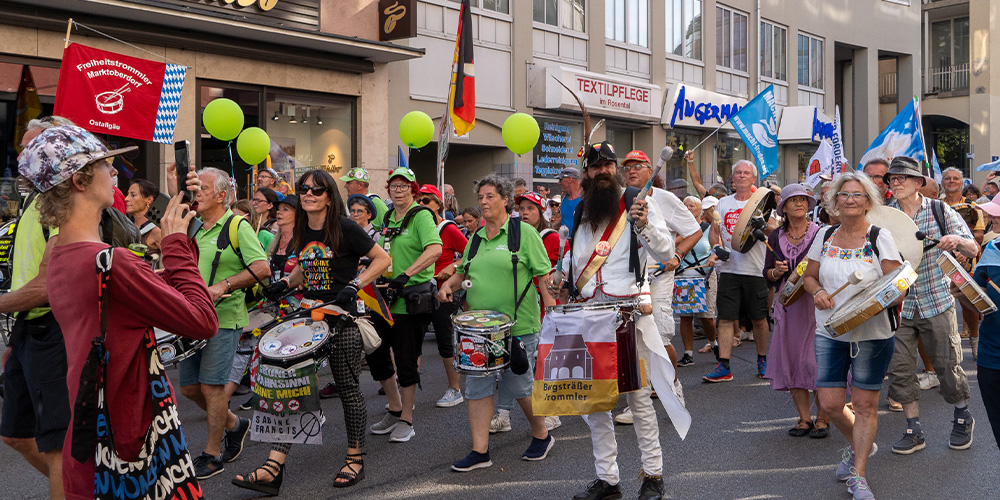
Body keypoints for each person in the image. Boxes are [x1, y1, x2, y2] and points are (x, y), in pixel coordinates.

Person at [18, 125, 218, 500]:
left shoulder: (60, 254)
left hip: (91, 433)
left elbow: (137, 291)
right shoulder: (110, 263)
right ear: (79, 179)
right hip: (132, 436)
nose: (115, 173)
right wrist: (175, 241)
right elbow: (202, 321)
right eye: (106, 166)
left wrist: (176, 228)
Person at [235, 170, 391, 493]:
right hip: (308, 316)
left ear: (329, 196)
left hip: (341, 316)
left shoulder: (346, 228)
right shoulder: (303, 230)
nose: (307, 194)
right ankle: (274, 466)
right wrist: (283, 284)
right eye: (303, 189)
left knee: (347, 388)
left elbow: (383, 259)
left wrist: (355, 284)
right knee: (293, 387)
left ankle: (355, 458)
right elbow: (307, 269)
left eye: (316, 190)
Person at [555, 141, 683, 500]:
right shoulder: (581, 210)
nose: (602, 172)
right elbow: (578, 259)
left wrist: (643, 225)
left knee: (638, 401)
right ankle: (607, 479)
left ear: (615, 169)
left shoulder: (636, 204)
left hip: (625, 317)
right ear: (586, 174)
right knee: (594, 403)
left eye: (608, 166)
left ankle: (653, 476)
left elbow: (666, 252)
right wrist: (561, 274)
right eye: (595, 168)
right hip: (588, 317)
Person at [437, 175, 556, 472]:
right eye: (481, 197)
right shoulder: (475, 237)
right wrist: (449, 285)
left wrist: (553, 311)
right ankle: (480, 452)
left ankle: (542, 434)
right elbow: (464, 270)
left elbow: (544, 276)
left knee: (519, 385)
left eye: (490, 196)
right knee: (477, 387)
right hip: (478, 329)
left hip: (518, 325)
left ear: (506, 200)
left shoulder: (523, 233)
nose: (484, 202)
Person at [801, 172, 903, 500]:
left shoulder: (879, 236)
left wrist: (873, 303)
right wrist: (816, 292)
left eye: (858, 195)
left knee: (864, 404)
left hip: (872, 333)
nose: (850, 200)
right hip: (830, 330)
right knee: (830, 403)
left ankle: (858, 473)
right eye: (844, 195)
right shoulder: (825, 236)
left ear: (869, 202)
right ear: (834, 203)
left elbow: (898, 285)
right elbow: (810, 276)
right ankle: (862, 443)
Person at [0, 115, 76, 500]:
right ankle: (78, 489)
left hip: (55, 333)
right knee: (14, 434)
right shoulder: (32, 198)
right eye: (21, 147)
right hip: (28, 330)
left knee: (55, 442)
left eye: (32, 148)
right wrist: (17, 338)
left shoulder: (62, 205)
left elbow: (50, 285)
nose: (21, 157)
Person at [179, 167, 271, 479]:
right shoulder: (195, 227)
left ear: (221, 196)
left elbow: (262, 267)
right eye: (195, 188)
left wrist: (223, 286)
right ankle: (235, 423)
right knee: (191, 389)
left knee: (212, 387)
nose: (197, 193)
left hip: (224, 319)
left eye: (203, 188)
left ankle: (212, 454)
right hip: (192, 317)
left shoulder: (236, 225)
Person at [884, 157, 979, 455]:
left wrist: (955, 239)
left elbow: (972, 246)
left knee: (947, 366)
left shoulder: (940, 209)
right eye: (892, 179)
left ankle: (962, 416)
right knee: (899, 370)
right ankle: (914, 430)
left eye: (902, 178)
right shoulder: (885, 218)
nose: (895, 183)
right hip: (898, 304)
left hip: (935, 298)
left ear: (918, 183)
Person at [615, 150, 701, 424]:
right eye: (627, 167)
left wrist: (676, 256)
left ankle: (674, 387)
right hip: (629, 277)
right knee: (632, 341)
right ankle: (637, 400)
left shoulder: (665, 199)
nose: (632, 171)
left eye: (638, 166)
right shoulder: (620, 200)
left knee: (660, 339)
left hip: (659, 276)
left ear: (651, 169)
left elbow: (695, 230)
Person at [368, 167, 442, 443]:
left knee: (406, 360)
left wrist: (406, 274)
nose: (398, 190)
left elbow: (435, 249)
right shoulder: (387, 216)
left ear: (413, 189)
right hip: (384, 298)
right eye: (394, 186)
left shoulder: (421, 215)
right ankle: (394, 407)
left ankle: (407, 419)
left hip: (410, 299)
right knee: (376, 353)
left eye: (404, 186)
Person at [762, 183, 829, 438]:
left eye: (804, 199)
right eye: (793, 200)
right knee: (792, 360)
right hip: (787, 304)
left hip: (814, 303)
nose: (799, 203)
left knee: (814, 360)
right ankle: (804, 419)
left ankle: (823, 417)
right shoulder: (773, 237)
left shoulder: (821, 233)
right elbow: (767, 275)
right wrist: (776, 272)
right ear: (784, 207)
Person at [704, 160, 771, 382]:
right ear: (733, 179)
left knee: (759, 319)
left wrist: (765, 225)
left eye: (746, 173)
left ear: (753, 179)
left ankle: (762, 360)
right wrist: (716, 248)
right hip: (730, 269)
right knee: (725, 318)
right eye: (738, 173)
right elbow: (714, 232)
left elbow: (777, 230)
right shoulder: (723, 204)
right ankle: (724, 366)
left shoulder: (762, 203)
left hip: (755, 269)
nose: (741, 176)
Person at [417, 184, 467, 408]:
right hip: (417, 289)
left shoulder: (447, 229)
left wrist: (454, 267)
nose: (421, 204)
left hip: (441, 290)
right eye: (419, 200)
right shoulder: (415, 225)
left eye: (426, 200)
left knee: (445, 341)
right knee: (413, 340)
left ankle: (454, 389)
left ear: (438, 204)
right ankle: (408, 387)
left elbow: (470, 253)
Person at [941, 167, 985, 360]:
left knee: (967, 300)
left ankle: (974, 339)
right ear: (943, 182)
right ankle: (945, 349)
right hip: (939, 259)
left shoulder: (973, 206)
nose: (951, 181)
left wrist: (963, 253)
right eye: (947, 178)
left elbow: (978, 235)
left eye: (955, 178)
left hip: (966, 260)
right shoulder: (935, 205)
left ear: (961, 183)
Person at [970, 196, 1000, 451]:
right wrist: (963, 292)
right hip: (991, 357)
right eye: (993, 213)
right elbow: (977, 302)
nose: (994, 218)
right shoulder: (992, 249)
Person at [676, 196, 719, 365]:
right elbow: (670, 246)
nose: (687, 208)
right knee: (685, 317)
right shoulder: (677, 229)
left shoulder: (708, 228)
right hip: (683, 276)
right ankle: (688, 354)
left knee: (706, 317)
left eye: (691, 206)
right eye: (685, 205)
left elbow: (718, 247)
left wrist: (714, 257)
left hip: (704, 276)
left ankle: (714, 343)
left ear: (700, 210)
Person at [125, 179, 163, 255]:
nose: (126, 199)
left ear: (149, 200)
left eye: (133, 195)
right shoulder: (127, 227)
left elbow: (176, 262)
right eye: (128, 194)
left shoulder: (156, 231)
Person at [557, 167, 582, 234]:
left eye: (560, 180)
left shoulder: (586, 198)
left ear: (569, 179)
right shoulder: (563, 198)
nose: (558, 183)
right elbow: (565, 219)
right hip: (564, 243)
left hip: (580, 243)